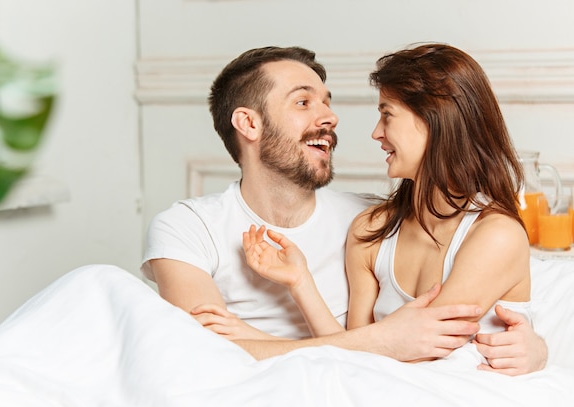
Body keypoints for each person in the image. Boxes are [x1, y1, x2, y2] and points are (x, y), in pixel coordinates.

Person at [141, 45, 547, 374]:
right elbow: (201, 357)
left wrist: (538, 345)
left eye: (327, 101)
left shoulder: (367, 217)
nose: (331, 117)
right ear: (248, 124)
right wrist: (383, 339)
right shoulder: (186, 227)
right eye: (303, 102)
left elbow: (428, 339)